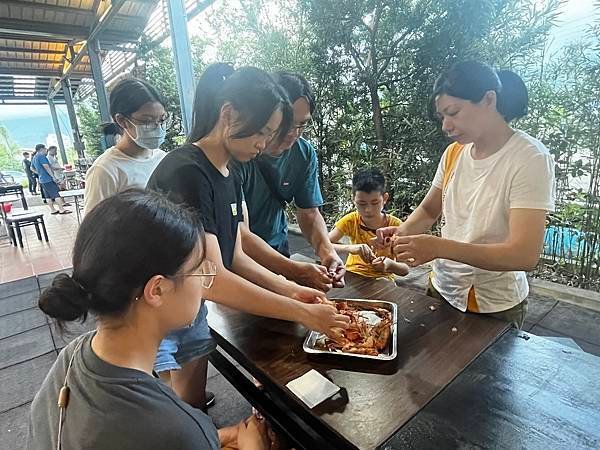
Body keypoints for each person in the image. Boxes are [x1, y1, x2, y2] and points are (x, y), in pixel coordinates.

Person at [148, 64, 349, 410]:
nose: (266, 142)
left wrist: (291, 288)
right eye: (264, 132)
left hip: (190, 308)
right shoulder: (187, 172)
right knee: (171, 415)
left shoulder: (228, 173)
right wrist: (300, 312)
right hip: (158, 311)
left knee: (193, 407)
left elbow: (236, 254)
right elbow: (212, 279)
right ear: (228, 113)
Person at [27, 189, 270, 450]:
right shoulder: (170, 427)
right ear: (157, 290)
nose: (204, 282)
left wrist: (217, 437)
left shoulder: (72, 356)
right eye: (198, 270)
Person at [376, 61, 555, 328]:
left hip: (493, 304)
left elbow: (524, 254)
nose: (446, 126)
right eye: (442, 117)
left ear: (488, 100)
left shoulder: (529, 157)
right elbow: (428, 210)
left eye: (453, 112)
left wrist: (438, 247)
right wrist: (400, 235)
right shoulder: (454, 154)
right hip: (441, 288)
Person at [235, 72, 345, 291]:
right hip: (238, 266)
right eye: (287, 123)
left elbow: (309, 213)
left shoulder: (303, 154)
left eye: (302, 125)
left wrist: (327, 252)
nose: (293, 134)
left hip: (279, 254)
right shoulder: (239, 154)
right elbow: (241, 236)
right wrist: (296, 271)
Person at [83, 78, 167, 216]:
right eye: (147, 121)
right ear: (121, 120)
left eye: (162, 119)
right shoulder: (106, 170)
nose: (157, 127)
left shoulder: (163, 158)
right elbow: (93, 230)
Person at [329, 167, 409, 280]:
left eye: (375, 203)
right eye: (361, 203)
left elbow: (405, 269)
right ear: (353, 200)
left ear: (385, 198)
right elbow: (322, 245)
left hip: (383, 280)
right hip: (352, 275)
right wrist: (351, 248)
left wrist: (390, 265)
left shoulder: (395, 225)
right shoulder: (351, 220)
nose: (368, 210)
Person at [31, 145, 71, 215]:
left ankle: (53, 210)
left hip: (42, 179)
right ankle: (61, 209)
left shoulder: (34, 157)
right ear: (41, 149)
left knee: (48, 196)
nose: (45, 150)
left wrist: (39, 173)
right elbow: (46, 167)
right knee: (56, 194)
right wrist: (53, 177)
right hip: (48, 179)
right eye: (44, 149)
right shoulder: (41, 156)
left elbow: (32, 168)